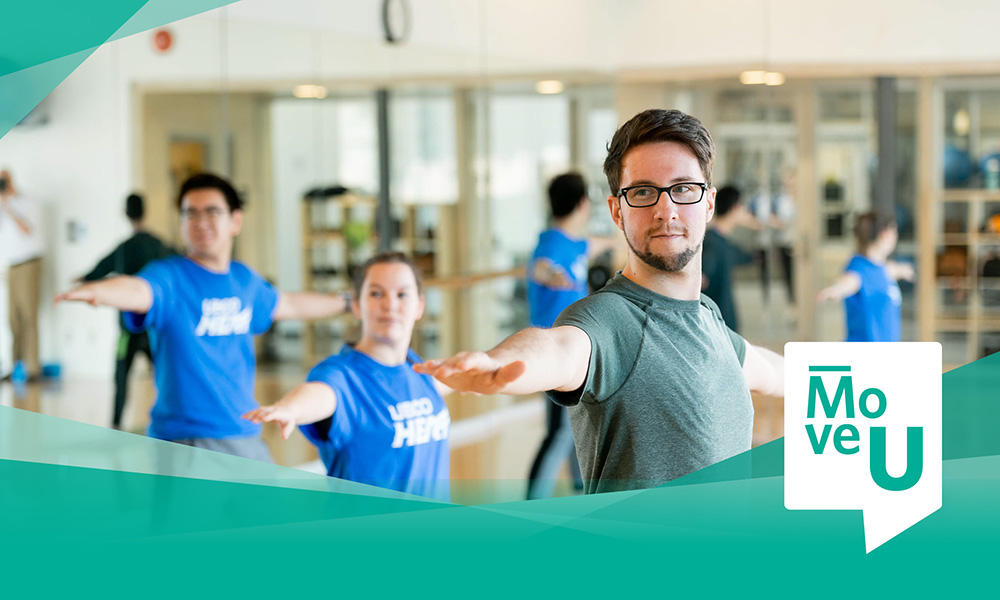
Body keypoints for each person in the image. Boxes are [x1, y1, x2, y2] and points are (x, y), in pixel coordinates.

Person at [416, 109, 784, 495]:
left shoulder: (707, 317)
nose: (666, 210)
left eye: (683, 189)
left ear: (707, 204)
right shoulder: (608, 321)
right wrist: (499, 361)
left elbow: (770, 371)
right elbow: (559, 347)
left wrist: (843, 379)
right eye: (642, 192)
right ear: (616, 211)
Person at [56, 173, 351, 461]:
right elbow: (139, 290)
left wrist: (347, 303)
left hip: (245, 433)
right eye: (190, 214)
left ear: (235, 220)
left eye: (212, 213)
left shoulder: (244, 279)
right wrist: (100, 291)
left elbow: (290, 305)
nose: (200, 223)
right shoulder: (170, 276)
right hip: (185, 442)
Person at [243, 252, 452, 501]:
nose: (390, 305)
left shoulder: (418, 367)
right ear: (356, 304)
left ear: (419, 305)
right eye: (376, 293)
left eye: (402, 294)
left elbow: (445, 382)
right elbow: (321, 394)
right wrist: (290, 409)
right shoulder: (342, 375)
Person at [525, 172, 622, 500]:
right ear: (582, 204)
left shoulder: (576, 243)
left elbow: (597, 243)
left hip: (573, 348)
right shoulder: (551, 241)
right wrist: (551, 275)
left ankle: (581, 489)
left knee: (573, 425)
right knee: (559, 432)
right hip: (551, 352)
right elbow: (541, 265)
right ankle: (532, 502)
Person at [78, 193, 173, 429]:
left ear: (126, 213)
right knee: (167, 377)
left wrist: (84, 279)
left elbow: (100, 269)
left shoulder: (123, 248)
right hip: (156, 329)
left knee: (121, 379)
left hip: (128, 331)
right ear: (145, 210)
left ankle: (116, 424)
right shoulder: (159, 245)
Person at [817, 210, 913, 341]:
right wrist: (835, 289)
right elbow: (848, 282)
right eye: (894, 233)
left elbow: (892, 270)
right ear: (885, 234)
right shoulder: (859, 270)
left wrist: (904, 270)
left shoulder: (882, 268)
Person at [0, 170, 44, 381]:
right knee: (13, 319)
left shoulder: (27, 202)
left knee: (28, 316)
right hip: (11, 266)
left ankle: (33, 369)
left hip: (28, 264)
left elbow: (26, 229)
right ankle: (15, 366)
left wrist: (8, 205)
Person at [701, 185, 756, 333]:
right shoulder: (712, 243)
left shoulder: (723, 242)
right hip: (716, 325)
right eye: (743, 206)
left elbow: (750, 258)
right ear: (734, 208)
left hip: (724, 323)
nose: (747, 212)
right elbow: (701, 281)